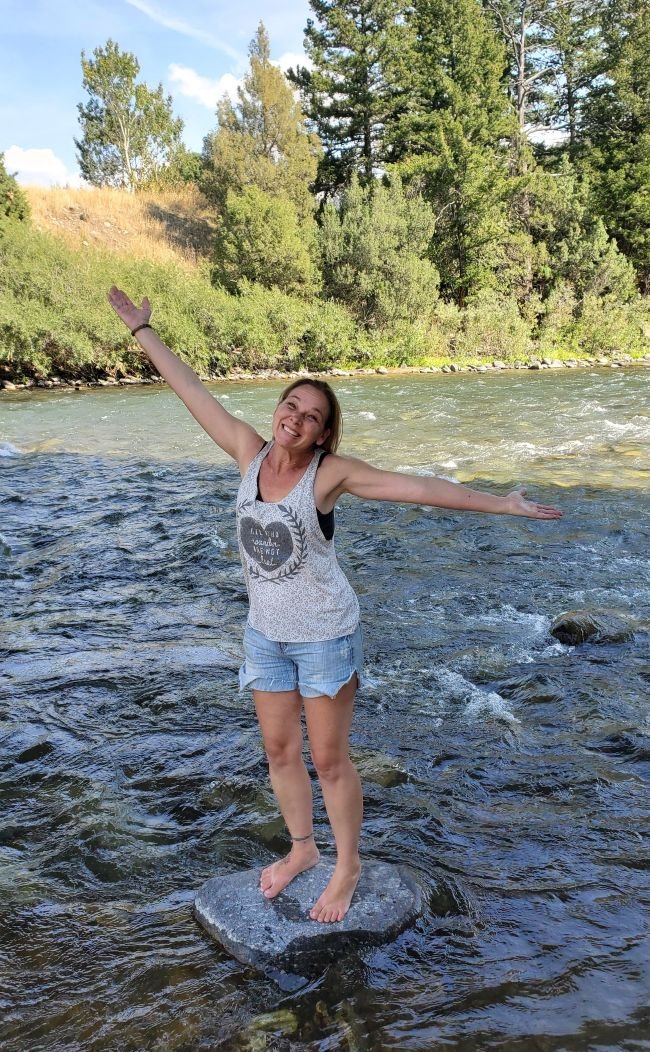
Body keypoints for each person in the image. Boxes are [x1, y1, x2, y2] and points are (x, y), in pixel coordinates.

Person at [108, 286, 562, 924]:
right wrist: (143, 331)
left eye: (311, 415)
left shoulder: (328, 475)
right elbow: (192, 394)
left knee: (328, 758)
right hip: (265, 633)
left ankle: (347, 867)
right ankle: (302, 850)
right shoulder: (248, 452)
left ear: (325, 432)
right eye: (290, 405)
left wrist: (503, 504)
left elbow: (418, 489)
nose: (295, 418)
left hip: (324, 635)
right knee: (278, 751)